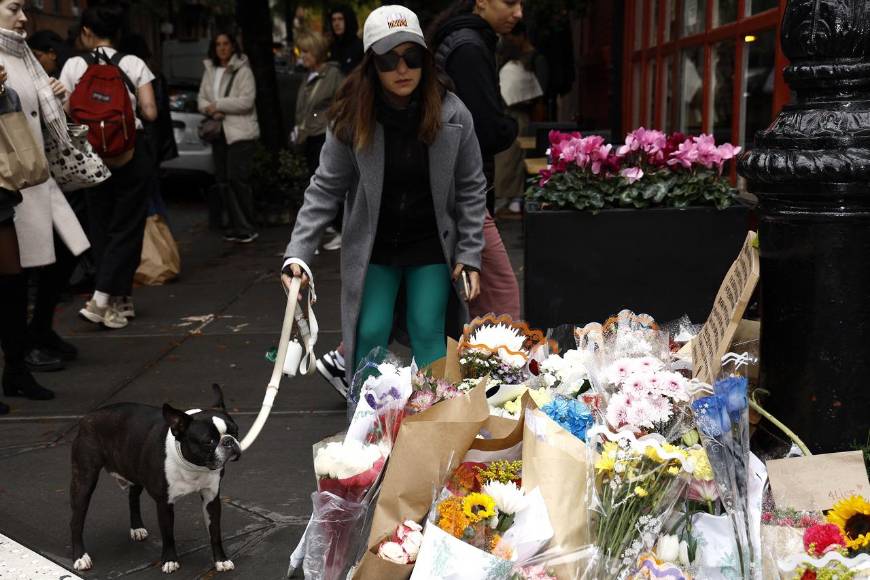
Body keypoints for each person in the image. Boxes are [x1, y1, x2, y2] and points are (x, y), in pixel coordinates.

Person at [283, 5, 486, 391]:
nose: (402, 68)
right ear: (371, 66)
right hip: (375, 246)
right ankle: (366, 431)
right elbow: (325, 187)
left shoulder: (453, 113)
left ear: (425, 60)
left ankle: (436, 429)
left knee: (428, 329)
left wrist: (469, 252)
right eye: (389, 60)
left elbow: (472, 185)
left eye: (412, 57)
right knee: (369, 331)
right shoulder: (350, 118)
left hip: (430, 243)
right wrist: (298, 253)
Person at [0, 0, 91, 401]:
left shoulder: (22, 55)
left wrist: (56, 94)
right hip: (9, 184)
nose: (23, 18)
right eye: (13, 8)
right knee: (13, 281)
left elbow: (40, 115)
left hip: (34, 180)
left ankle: (27, 350)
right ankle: (23, 357)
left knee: (52, 263)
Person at [60, 5, 159, 329]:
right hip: (131, 154)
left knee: (100, 227)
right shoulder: (133, 63)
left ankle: (108, 297)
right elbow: (150, 112)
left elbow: (64, 110)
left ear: (87, 31)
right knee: (128, 227)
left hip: (90, 156)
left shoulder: (74, 64)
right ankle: (116, 299)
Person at [430, 0, 522, 321]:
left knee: (472, 296)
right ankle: (498, 364)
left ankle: (479, 363)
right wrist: (510, 126)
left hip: (455, 184)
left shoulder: (463, 40)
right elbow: (484, 126)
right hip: (463, 189)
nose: (519, 12)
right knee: (500, 296)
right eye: (510, 2)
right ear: (481, 1)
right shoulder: (468, 48)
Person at [197, 31, 260, 244]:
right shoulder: (210, 70)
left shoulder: (244, 71)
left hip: (240, 133)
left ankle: (247, 226)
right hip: (219, 133)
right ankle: (235, 225)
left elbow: (246, 101)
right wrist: (212, 110)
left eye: (226, 43)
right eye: (218, 44)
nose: (222, 48)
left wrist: (219, 104)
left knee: (237, 179)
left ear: (233, 46)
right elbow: (201, 100)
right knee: (223, 180)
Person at [292, 30, 344, 251]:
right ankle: (325, 230)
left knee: (327, 185)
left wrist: (325, 120)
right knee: (315, 185)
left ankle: (341, 229)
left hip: (324, 135)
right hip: (310, 135)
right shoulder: (309, 77)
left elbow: (340, 101)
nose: (302, 56)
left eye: (305, 51)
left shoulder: (332, 74)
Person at [326, 5, 363, 75]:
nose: (336, 24)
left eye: (340, 19)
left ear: (348, 20)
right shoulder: (332, 48)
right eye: (333, 20)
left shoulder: (359, 47)